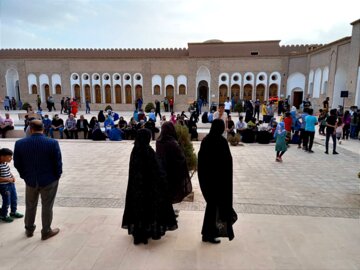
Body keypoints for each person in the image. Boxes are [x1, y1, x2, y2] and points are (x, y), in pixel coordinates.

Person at [122, 129, 178, 245]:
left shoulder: (135, 151)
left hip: (136, 188)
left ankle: (139, 232)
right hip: (149, 188)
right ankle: (146, 231)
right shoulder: (148, 151)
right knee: (148, 209)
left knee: (139, 209)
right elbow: (157, 170)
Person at [14, 120, 62, 240]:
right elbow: (58, 163)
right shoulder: (52, 143)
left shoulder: (20, 143)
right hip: (49, 180)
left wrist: (25, 176)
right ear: (43, 128)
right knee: (47, 206)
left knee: (30, 205)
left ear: (30, 129)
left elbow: (17, 163)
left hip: (30, 180)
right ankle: (46, 231)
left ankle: (29, 229)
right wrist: (57, 176)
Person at [198, 119, 237, 244]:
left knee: (211, 207)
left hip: (208, 181)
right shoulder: (221, 142)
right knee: (213, 208)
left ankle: (207, 233)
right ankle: (208, 234)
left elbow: (201, 162)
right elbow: (227, 163)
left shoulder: (206, 140)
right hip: (219, 182)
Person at [156, 122, 192, 204]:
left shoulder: (159, 141)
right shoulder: (172, 143)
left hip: (162, 172)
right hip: (172, 173)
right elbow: (180, 158)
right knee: (171, 194)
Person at [0, 148, 24, 223]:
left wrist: (12, 176)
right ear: (2, 156)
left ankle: (13, 212)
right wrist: (7, 179)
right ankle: (3, 215)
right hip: (4, 186)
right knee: (7, 201)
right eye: (9, 156)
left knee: (14, 198)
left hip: (11, 184)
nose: (11, 158)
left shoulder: (5, 163)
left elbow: (8, 172)